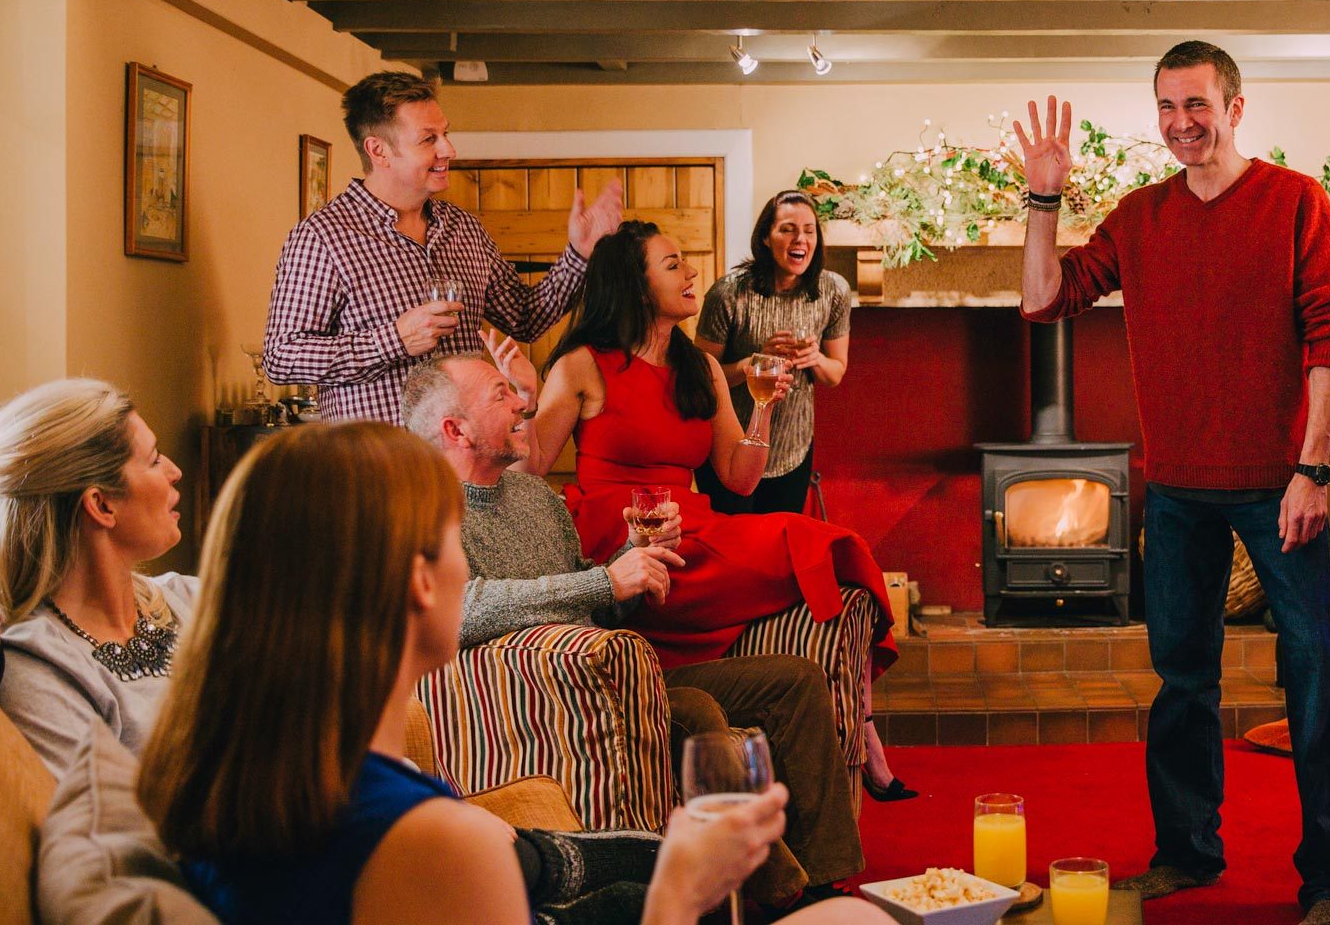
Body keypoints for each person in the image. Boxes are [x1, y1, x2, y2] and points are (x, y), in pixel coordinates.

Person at [137, 422, 882, 925]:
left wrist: (661, 859)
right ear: (419, 583)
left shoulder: (254, 762)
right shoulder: (419, 839)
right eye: (452, 538)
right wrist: (679, 895)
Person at [1014, 41, 1330, 925]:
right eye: (1168, 107)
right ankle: (1186, 852)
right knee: (1182, 681)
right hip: (1176, 489)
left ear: (1236, 108)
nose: (1182, 124)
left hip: (1277, 485)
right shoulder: (1140, 217)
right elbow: (1041, 299)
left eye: (1198, 105)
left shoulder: (1294, 202)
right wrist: (1044, 199)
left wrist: (1311, 468)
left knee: (1315, 674)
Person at [405, 351, 868, 909]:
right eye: (500, 396)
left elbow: (591, 602)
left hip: (616, 675)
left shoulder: (534, 497)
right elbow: (465, 609)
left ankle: (824, 880)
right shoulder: (428, 508)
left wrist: (638, 558)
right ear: (455, 429)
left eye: (515, 391)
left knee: (792, 680)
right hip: (545, 697)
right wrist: (606, 582)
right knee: (694, 709)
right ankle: (770, 893)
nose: (523, 403)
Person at [523, 220, 912, 803]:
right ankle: (859, 722)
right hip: (622, 532)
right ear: (634, 281)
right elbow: (528, 469)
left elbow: (738, 475)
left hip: (694, 521)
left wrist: (763, 409)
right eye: (673, 264)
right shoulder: (581, 364)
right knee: (813, 543)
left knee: (832, 545)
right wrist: (518, 397)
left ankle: (860, 718)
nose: (692, 273)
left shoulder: (699, 368)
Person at [261, 70, 623, 424]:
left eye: (445, 134)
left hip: (466, 465)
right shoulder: (323, 236)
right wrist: (394, 340)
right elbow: (281, 357)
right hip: (381, 469)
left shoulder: (463, 228)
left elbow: (525, 318)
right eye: (428, 139)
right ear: (379, 150)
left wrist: (579, 254)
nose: (449, 149)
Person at [0, 379, 194, 776]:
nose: (175, 471)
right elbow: (108, 828)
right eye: (154, 460)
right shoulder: (38, 668)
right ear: (101, 505)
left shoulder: (190, 598)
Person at [694, 190, 851, 515]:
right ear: (765, 237)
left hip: (792, 448)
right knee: (732, 551)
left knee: (778, 553)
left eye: (809, 230)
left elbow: (835, 372)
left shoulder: (833, 291)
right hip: (728, 450)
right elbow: (698, 377)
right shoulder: (729, 293)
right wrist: (752, 363)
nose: (801, 239)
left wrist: (815, 359)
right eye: (788, 229)